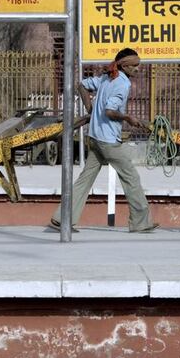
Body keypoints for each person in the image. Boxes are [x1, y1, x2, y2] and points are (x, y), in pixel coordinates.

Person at [49, 48, 159, 233]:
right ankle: (141, 223)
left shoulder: (107, 78)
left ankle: (62, 218)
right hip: (108, 141)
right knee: (131, 177)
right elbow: (109, 111)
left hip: (94, 137)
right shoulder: (122, 84)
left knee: (85, 179)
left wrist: (90, 107)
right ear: (124, 66)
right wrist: (127, 118)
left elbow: (82, 85)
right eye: (135, 66)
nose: (138, 69)